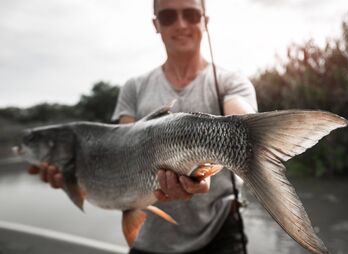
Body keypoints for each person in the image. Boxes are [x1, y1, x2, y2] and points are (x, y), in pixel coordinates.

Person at [28, 0, 257, 253]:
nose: (180, 24)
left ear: (205, 20)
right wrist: (72, 175)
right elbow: (123, 151)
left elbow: (243, 119)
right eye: (169, 16)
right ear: (156, 24)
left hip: (219, 232)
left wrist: (250, 137)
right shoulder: (134, 87)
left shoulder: (231, 81)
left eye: (191, 14)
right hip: (150, 242)